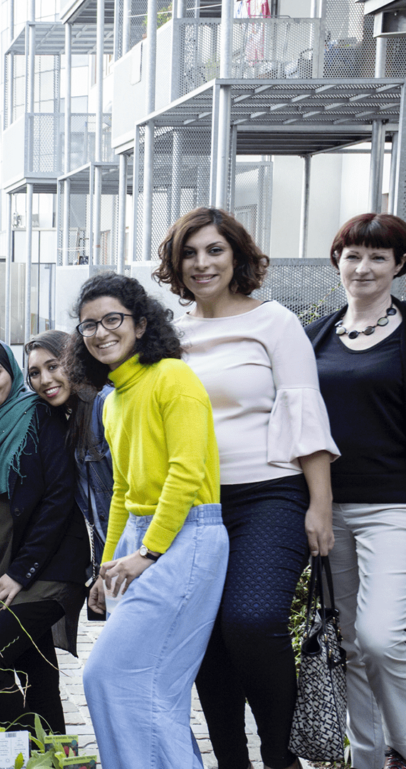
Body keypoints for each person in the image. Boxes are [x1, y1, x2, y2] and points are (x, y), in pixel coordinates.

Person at [153, 207, 338, 769]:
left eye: (214, 250)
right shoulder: (168, 334)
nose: (202, 263)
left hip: (270, 495)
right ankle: (230, 760)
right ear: (175, 264)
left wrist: (321, 506)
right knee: (207, 637)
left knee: (251, 620)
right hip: (196, 503)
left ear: (237, 256)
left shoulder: (274, 322)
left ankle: (280, 757)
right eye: (190, 253)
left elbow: (304, 411)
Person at [73, 272, 228, 769]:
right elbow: (121, 490)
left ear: (141, 324)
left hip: (187, 536)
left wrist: (147, 553)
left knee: (114, 676)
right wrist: (107, 565)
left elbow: (187, 472)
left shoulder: (172, 377)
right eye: (88, 325)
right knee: (144, 690)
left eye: (112, 319)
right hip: (141, 540)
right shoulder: (111, 398)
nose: (100, 332)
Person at [306, 212, 406, 769]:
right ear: (337, 261)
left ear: (398, 265)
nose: (363, 267)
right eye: (353, 255)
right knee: (348, 645)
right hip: (328, 508)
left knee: (380, 637)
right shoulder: (315, 335)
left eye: (378, 257)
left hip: (396, 508)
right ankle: (366, 759)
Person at [0, 336, 89, 733]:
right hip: (0, 574)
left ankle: (18, 755)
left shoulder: (39, 415)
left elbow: (58, 500)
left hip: (46, 572)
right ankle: (54, 756)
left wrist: (20, 572)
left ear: (11, 374)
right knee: (38, 673)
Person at [24, 330, 112, 588]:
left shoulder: (104, 404)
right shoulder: (71, 417)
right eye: (35, 373)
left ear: (75, 362)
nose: (44, 380)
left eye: (53, 366)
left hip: (136, 553)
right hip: (112, 555)